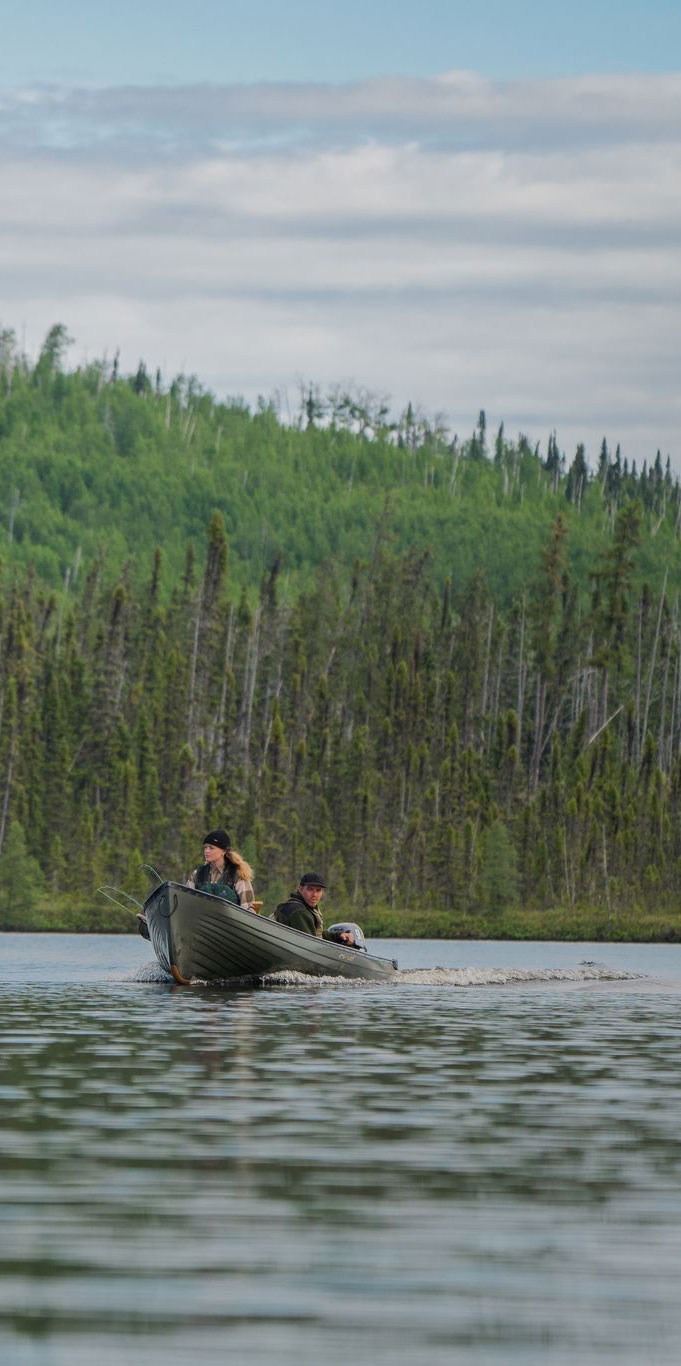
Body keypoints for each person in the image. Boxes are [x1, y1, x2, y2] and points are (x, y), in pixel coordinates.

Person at [274, 874, 367, 949]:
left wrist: (338, 936)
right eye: (310, 889)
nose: (314, 895)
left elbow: (316, 934)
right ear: (301, 889)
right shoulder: (300, 912)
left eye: (318, 890)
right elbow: (310, 946)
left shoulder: (301, 907)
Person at [186, 829, 255, 909]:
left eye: (211, 848)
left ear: (223, 851)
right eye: (205, 847)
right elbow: (187, 902)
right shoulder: (197, 874)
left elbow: (248, 910)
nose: (207, 851)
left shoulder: (237, 875)